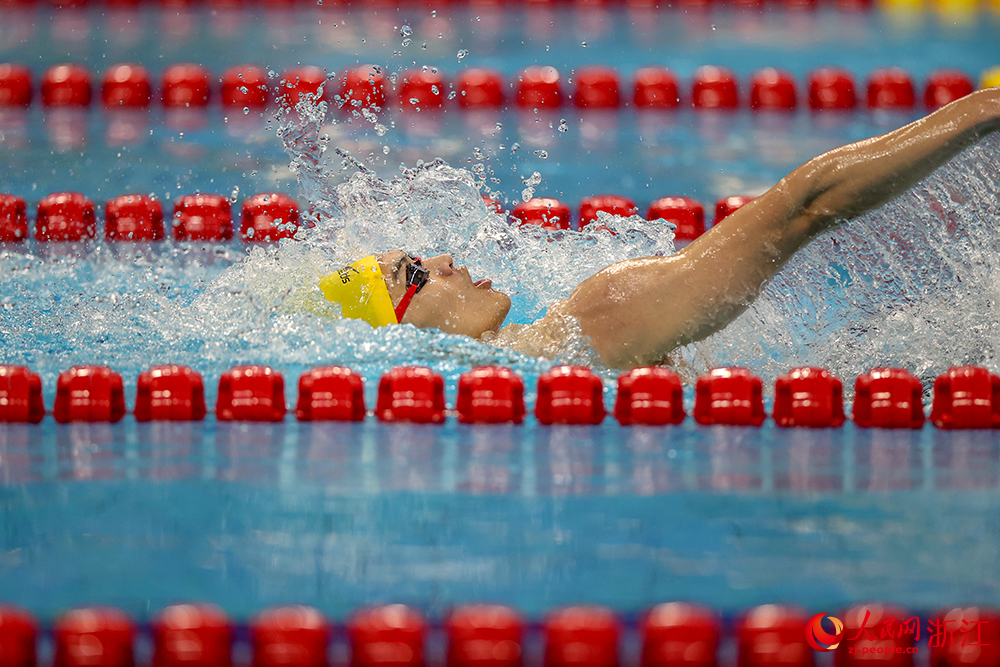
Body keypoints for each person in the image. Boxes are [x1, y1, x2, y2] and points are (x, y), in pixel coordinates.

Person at [320, 86, 1000, 370]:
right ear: (401, 335)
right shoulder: (589, 326)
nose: (443, 256)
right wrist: (983, 109)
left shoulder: (569, 340)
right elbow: (804, 207)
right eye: (416, 273)